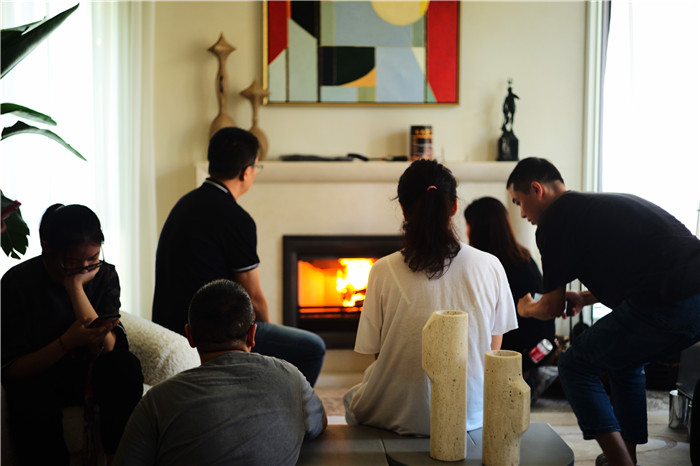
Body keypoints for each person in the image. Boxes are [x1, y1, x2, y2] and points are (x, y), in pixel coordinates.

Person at [506, 157, 700, 466]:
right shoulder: (592, 208)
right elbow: (647, 268)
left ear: (536, 189)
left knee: (574, 364)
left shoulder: (554, 220)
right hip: (692, 299)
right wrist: (584, 298)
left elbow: (550, 307)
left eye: (519, 202)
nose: (521, 214)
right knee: (624, 360)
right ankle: (626, 456)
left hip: (669, 302)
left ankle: (620, 463)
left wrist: (525, 307)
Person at [343, 159, 518, 435]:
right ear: (454, 207)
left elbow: (379, 354)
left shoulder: (381, 270)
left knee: (351, 398)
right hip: (471, 413)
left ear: (403, 209)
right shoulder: (490, 265)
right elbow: (492, 349)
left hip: (401, 413)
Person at [152, 127, 325, 386]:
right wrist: (265, 335)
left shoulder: (184, 204)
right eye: (257, 167)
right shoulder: (236, 218)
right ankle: (288, 408)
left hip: (171, 324)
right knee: (313, 348)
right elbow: (253, 296)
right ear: (246, 172)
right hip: (214, 330)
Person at [114, 279, 327, 465]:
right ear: (252, 334)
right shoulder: (291, 378)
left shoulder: (157, 401)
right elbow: (319, 424)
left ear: (189, 335)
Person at [1, 204, 144, 466]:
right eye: (74, 263)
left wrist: (75, 287)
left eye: (93, 258)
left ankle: (120, 459)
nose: (86, 268)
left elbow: (108, 348)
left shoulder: (104, 275)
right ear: (47, 248)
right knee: (29, 395)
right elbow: (11, 370)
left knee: (125, 366)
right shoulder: (17, 284)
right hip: (41, 376)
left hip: (89, 373)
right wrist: (66, 343)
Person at [464, 196, 557, 400]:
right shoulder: (523, 257)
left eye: (468, 226)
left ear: (479, 230)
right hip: (539, 350)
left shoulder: (490, 267)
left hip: (516, 360)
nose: (466, 233)